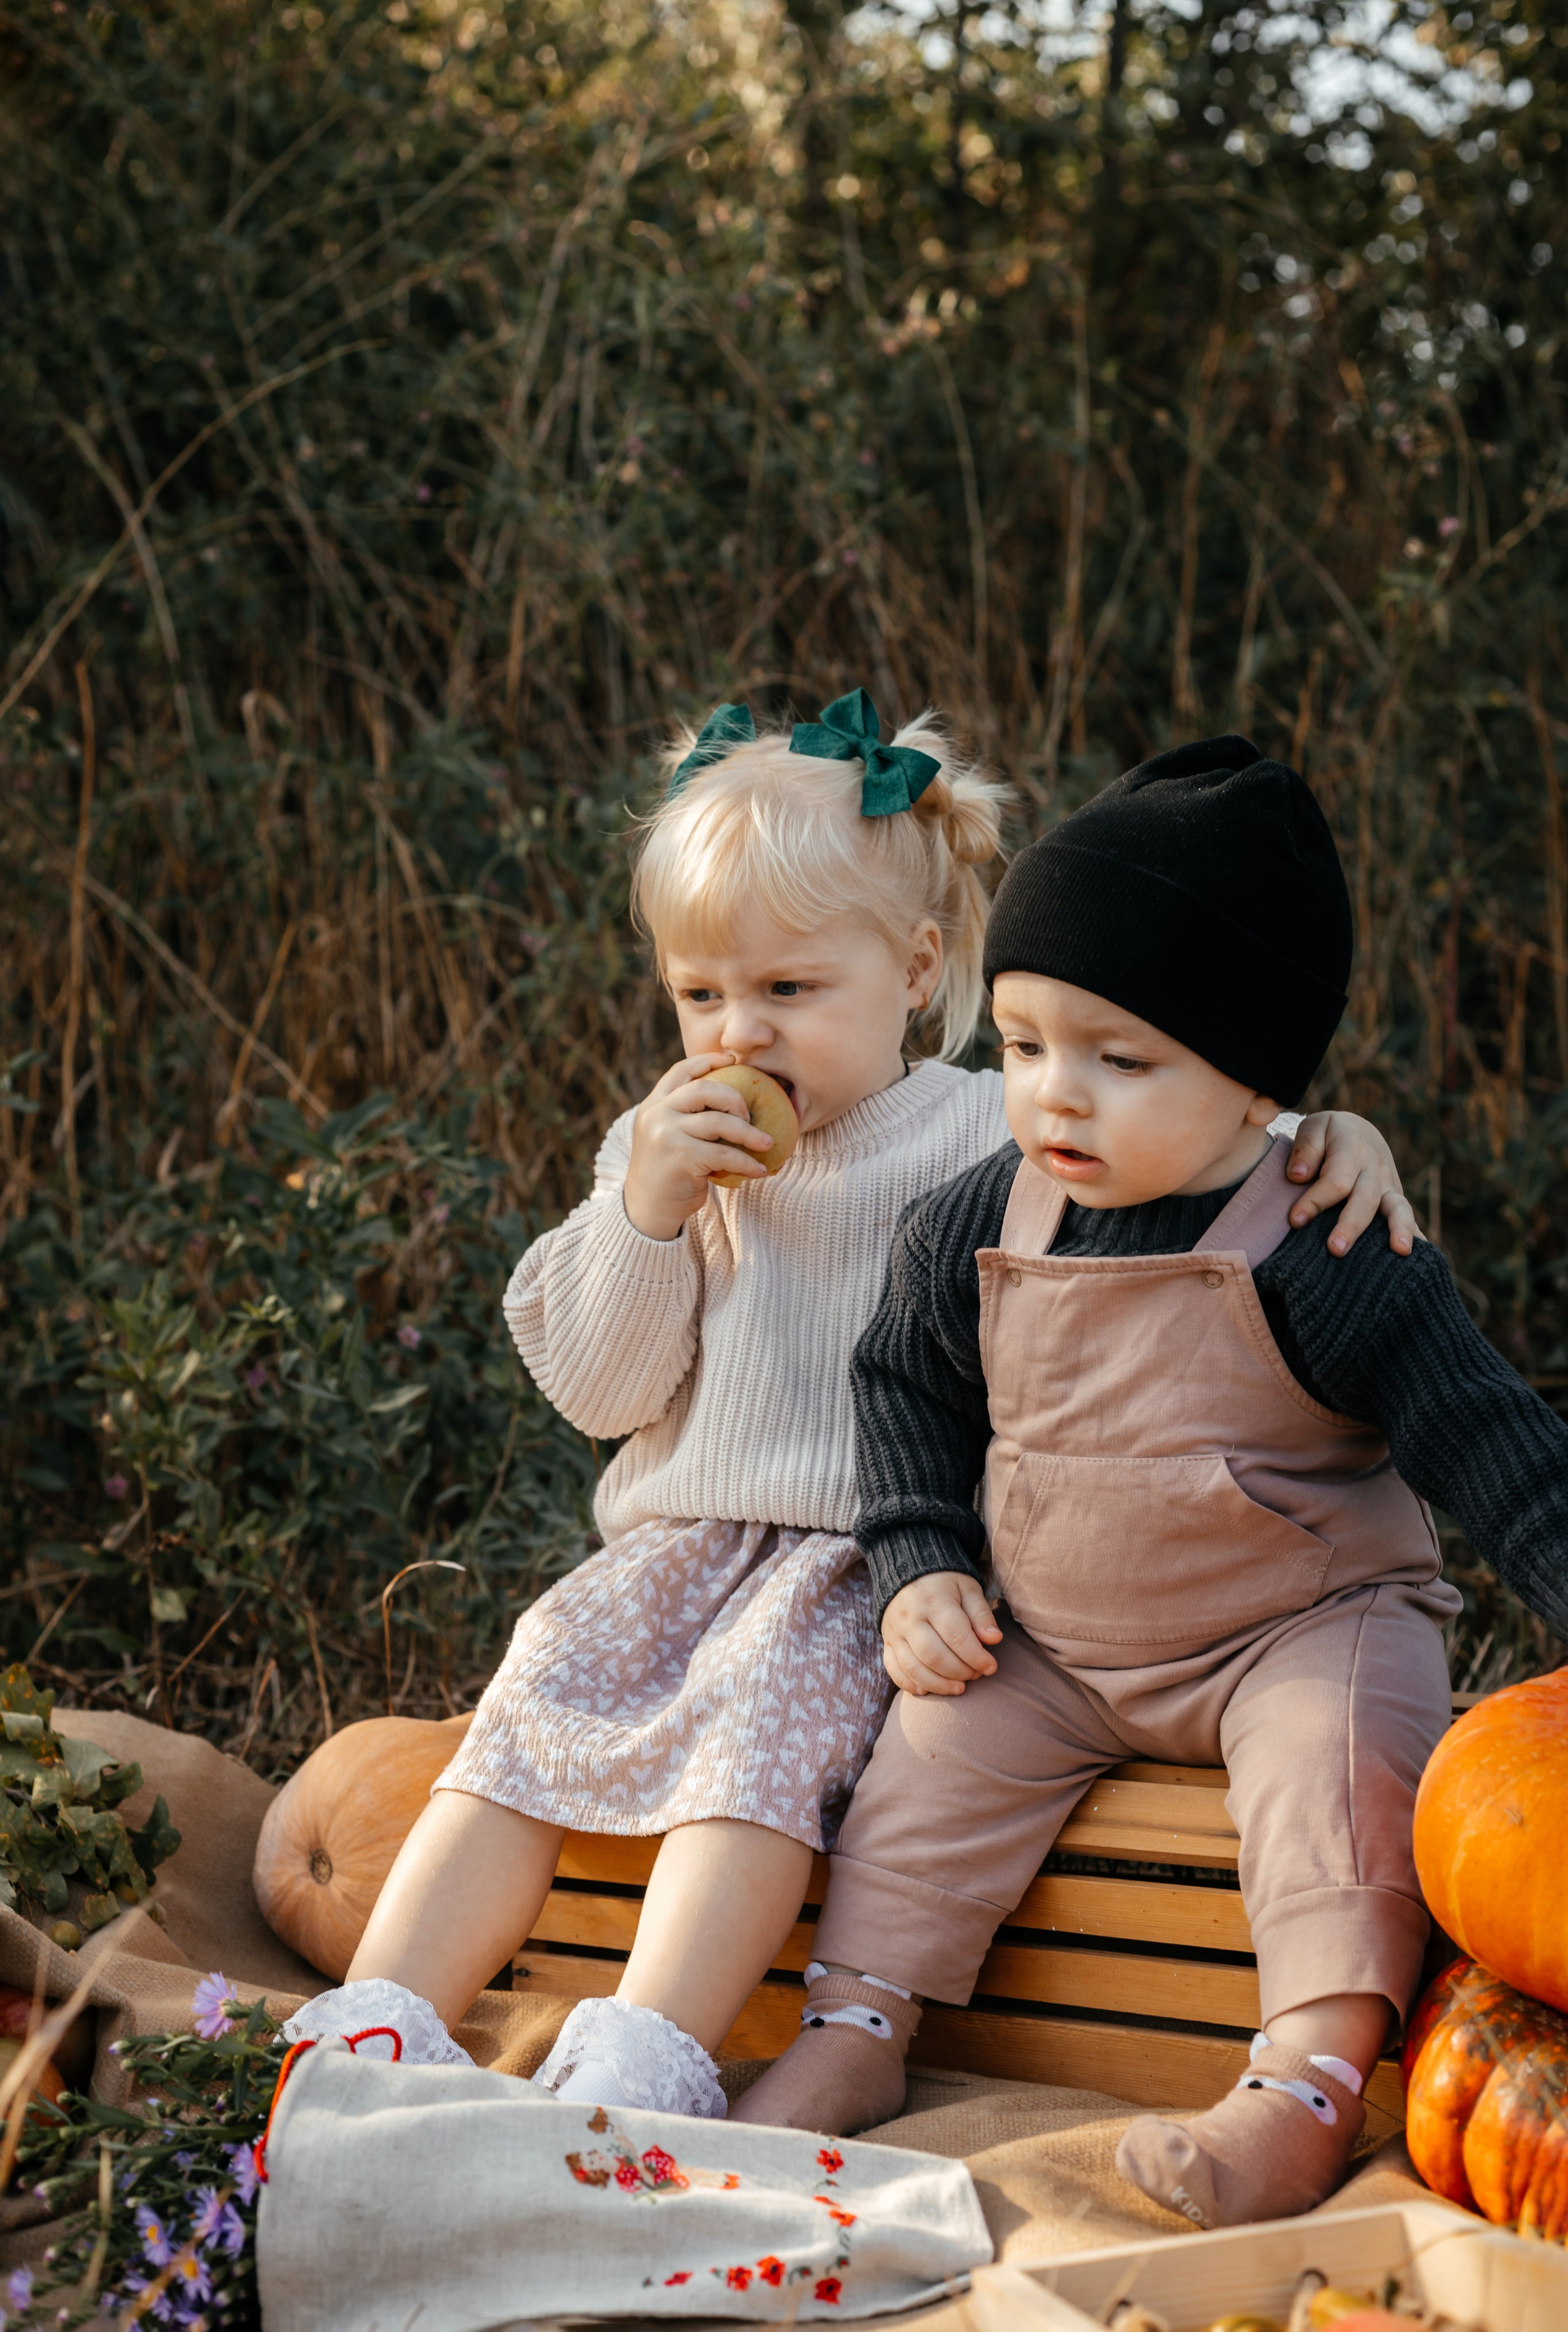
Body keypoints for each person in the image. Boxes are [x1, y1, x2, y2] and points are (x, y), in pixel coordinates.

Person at [285, 706, 1414, 2119]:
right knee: (524, 1700)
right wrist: (646, 1209)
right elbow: (597, 1387)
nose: (736, 1033)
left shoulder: (986, 1126)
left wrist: (1326, 1138)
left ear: (915, 969)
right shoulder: (667, 1156)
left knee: (752, 1741)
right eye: (699, 995)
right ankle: (375, 2022)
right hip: (676, 1546)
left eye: (786, 990)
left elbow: (1182, 1137)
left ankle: (645, 2049)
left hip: (867, 1557)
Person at [732, 734, 1568, 2221]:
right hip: (1051, 1641)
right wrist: (920, 1557)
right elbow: (904, 1390)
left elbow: (1489, 1438)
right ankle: (854, 2029)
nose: (1059, 1095)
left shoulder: (1323, 1245)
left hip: (1288, 1626)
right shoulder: (975, 1221)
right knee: (927, 1762)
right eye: (1026, 1042)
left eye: (1121, 1062)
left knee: (1341, 1779)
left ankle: (1300, 2087)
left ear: (1256, 1088)